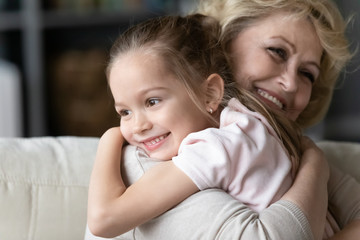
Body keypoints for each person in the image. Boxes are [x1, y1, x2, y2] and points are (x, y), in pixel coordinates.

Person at [85, 0, 360, 239]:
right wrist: (315, 165)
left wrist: (110, 137)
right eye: (277, 51)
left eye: (307, 74)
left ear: (211, 92)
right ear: (227, 40)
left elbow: (104, 218)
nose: (289, 83)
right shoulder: (154, 154)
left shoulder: (235, 140)